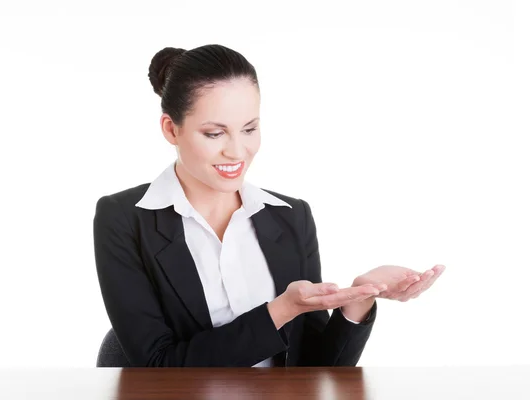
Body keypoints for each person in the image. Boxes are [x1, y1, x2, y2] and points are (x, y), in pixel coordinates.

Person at [93, 44, 445, 368]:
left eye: (249, 129)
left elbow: (312, 369)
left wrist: (360, 298)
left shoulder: (291, 217)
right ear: (172, 130)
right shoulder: (123, 219)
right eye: (214, 134)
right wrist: (281, 310)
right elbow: (159, 366)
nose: (237, 151)